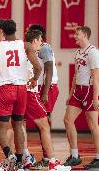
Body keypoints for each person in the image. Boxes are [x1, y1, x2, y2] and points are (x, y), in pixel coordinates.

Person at [0, 19, 41, 170]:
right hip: (22, 89)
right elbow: (37, 67)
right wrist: (34, 79)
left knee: (0, 127)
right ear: (15, 30)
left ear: (3, 32)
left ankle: (9, 155)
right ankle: (19, 160)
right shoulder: (26, 45)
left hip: (6, 89)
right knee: (18, 125)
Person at [23, 30, 71, 171]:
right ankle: (46, 159)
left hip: (46, 87)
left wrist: (44, 93)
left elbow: (48, 70)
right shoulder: (30, 49)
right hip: (35, 87)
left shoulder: (44, 47)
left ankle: (44, 158)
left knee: (41, 122)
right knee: (38, 124)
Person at [64, 26, 99, 170]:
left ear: (84, 35)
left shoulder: (93, 52)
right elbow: (75, 75)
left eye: (77, 34)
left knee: (93, 124)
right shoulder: (78, 52)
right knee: (67, 120)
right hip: (78, 90)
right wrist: (71, 93)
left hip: (89, 90)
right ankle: (75, 155)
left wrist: (95, 97)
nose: (75, 36)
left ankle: (98, 157)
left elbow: (96, 77)